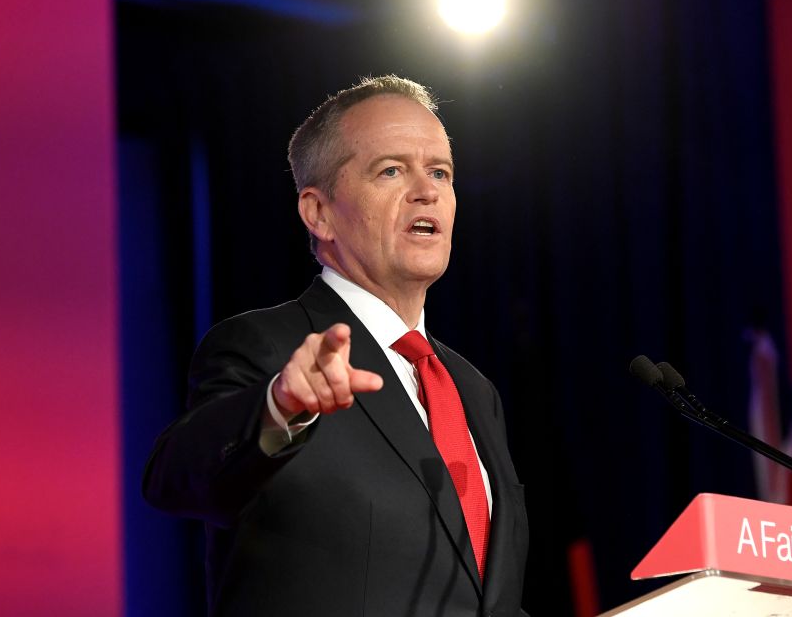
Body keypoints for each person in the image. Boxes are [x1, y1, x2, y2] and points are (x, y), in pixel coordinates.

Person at [143, 75, 529, 616]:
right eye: (391, 170)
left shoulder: (471, 388)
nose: (427, 190)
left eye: (440, 171)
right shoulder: (267, 346)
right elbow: (176, 480)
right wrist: (280, 407)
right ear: (318, 213)